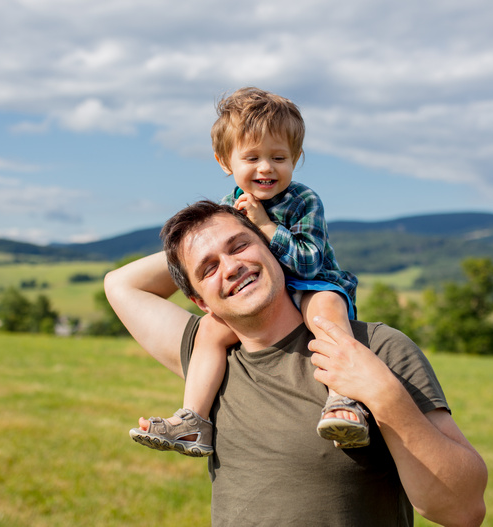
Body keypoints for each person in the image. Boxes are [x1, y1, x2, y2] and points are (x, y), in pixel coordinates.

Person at [104, 201, 488, 526]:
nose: (231, 267)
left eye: (240, 246)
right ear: (200, 303)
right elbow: (120, 284)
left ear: (273, 248)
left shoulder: (374, 347)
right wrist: (219, 220)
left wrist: (384, 394)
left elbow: (463, 508)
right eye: (209, 268)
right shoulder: (211, 362)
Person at [128, 87, 369, 456]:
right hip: (255, 295)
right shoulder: (225, 208)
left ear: (296, 158)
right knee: (209, 329)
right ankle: (194, 419)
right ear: (225, 162)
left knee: (325, 311)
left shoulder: (304, 201)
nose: (266, 168)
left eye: (279, 157)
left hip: (312, 282)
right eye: (252, 157)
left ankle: (343, 399)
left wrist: (266, 227)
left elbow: (308, 261)